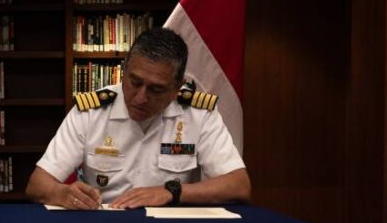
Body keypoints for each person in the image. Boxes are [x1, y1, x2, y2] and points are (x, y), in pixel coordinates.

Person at [26, 26, 251, 209]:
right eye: (135, 82)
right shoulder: (91, 112)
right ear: (124, 71)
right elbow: (37, 184)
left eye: (156, 90)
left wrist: (171, 192)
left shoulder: (199, 115)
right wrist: (63, 193)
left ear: (177, 88)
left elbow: (238, 186)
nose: (141, 97)